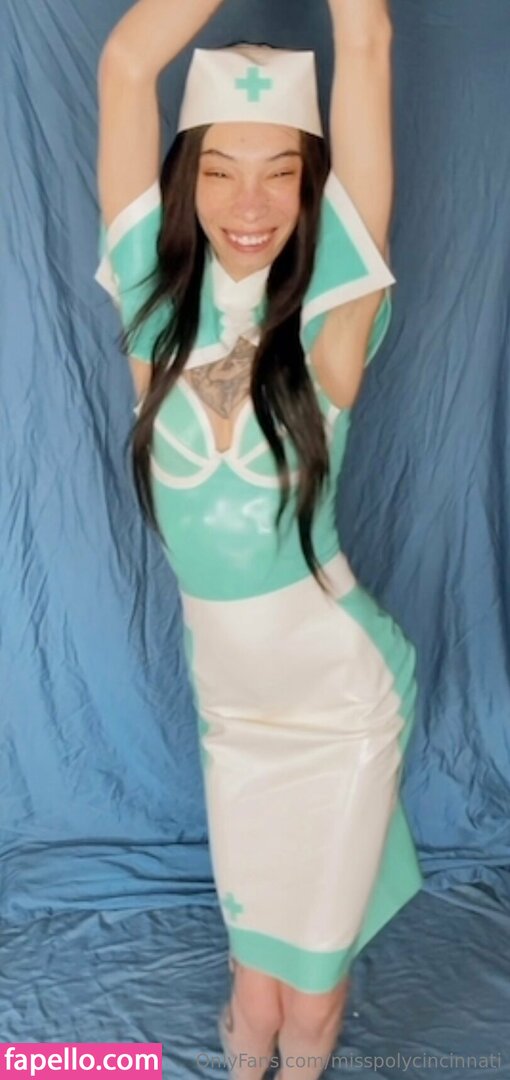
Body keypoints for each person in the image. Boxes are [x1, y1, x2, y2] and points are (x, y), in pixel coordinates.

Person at [95, 2, 422, 1077]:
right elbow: (128, 65)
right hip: (232, 712)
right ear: (183, 181)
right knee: (252, 1004)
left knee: (311, 1010)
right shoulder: (154, 316)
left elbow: (367, 43)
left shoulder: (333, 326)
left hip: (340, 702)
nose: (250, 203)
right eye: (221, 171)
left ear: (312, 188)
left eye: (281, 173)